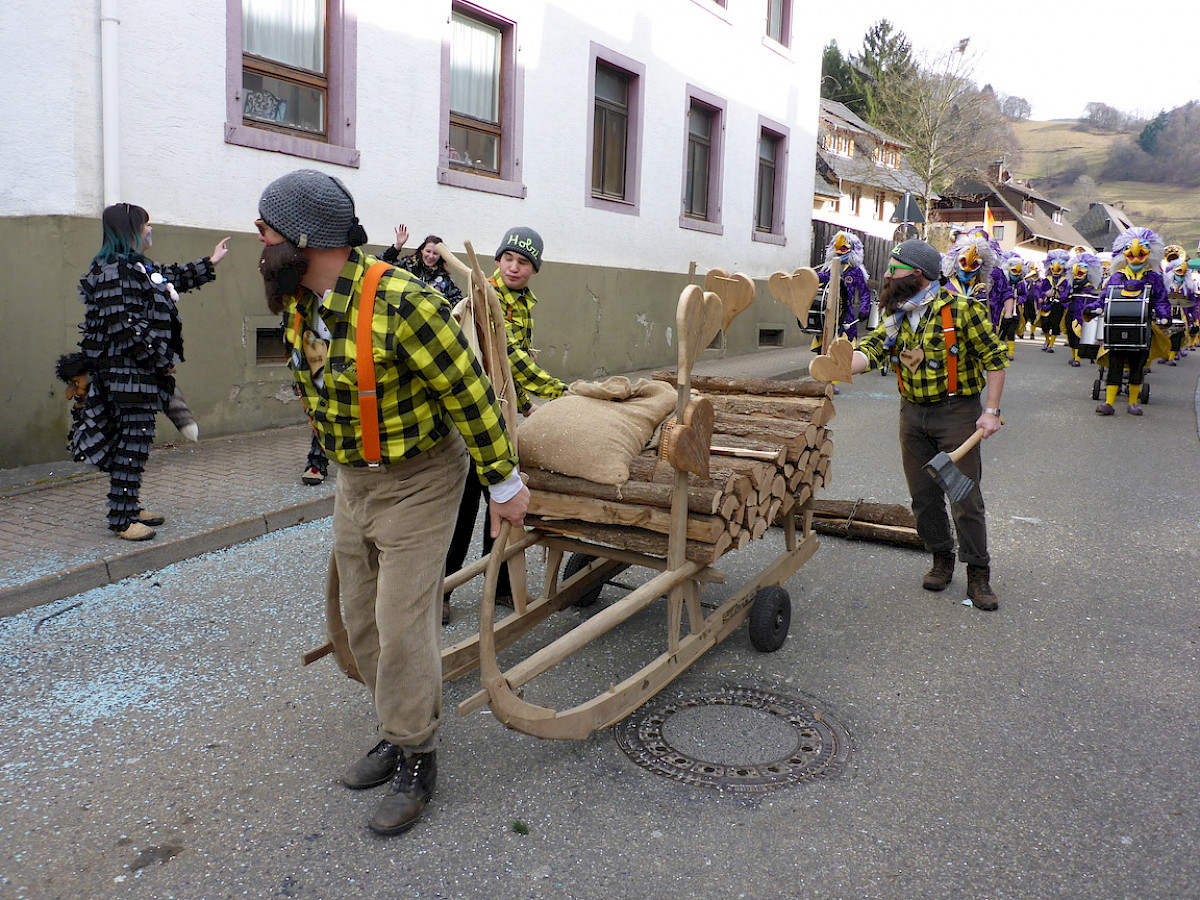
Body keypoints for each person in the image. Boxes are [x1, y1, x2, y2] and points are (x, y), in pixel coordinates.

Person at [256, 168, 529, 836]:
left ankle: (416, 753)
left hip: (421, 478)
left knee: (402, 623)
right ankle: (394, 724)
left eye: (266, 228)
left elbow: (470, 392)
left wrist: (503, 483)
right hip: (356, 480)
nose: (259, 238)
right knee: (357, 618)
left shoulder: (405, 301)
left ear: (305, 237)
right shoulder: (299, 301)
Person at [849, 239, 1009, 611]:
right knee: (923, 496)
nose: (887, 275)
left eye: (894, 269)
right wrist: (839, 363)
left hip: (956, 414)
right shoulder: (897, 313)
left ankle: (978, 572)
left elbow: (995, 359)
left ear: (917, 273)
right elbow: (874, 349)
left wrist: (991, 411)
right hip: (912, 414)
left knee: (964, 497)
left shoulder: (962, 309)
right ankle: (941, 557)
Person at [72, 203, 229, 541]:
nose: (150, 229)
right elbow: (126, 326)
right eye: (146, 224)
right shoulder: (114, 271)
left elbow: (171, 277)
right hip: (125, 375)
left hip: (138, 373)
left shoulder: (138, 267)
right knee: (132, 442)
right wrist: (162, 359)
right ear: (130, 230)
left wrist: (211, 261)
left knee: (136, 441)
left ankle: (128, 506)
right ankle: (122, 519)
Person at [443, 226, 567, 616]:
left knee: (501, 500)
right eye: (508, 259)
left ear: (535, 269)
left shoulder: (523, 301)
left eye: (524, 262)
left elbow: (511, 367)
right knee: (462, 510)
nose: (514, 267)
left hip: (500, 417)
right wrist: (561, 393)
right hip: (471, 419)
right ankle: (440, 593)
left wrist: (525, 405)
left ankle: (496, 586)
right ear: (497, 261)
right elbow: (510, 355)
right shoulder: (488, 296)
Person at [1095, 227, 1171, 416]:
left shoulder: (1154, 278)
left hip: (1142, 329)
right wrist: (1095, 307)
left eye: (1143, 246)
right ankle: (1109, 402)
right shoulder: (1117, 276)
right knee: (1115, 365)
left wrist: (1164, 315)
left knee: (1138, 366)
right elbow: (1104, 298)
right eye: (1129, 248)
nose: (1136, 251)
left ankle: (1133, 403)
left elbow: (1161, 300)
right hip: (1116, 328)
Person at [381, 226, 465, 305]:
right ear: (422, 250)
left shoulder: (444, 279)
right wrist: (397, 246)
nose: (430, 256)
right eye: (428, 251)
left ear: (440, 256)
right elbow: (382, 263)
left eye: (435, 253)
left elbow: (457, 300)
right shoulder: (407, 265)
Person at [1033, 249, 1071, 353]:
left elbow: (1067, 293)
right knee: (1045, 325)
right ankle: (1047, 340)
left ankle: (1051, 344)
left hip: (1058, 305)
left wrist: (1059, 294)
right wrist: (1045, 294)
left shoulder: (1066, 281)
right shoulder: (1047, 279)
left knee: (1055, 325)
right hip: (1047, 304)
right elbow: (1041, 291)